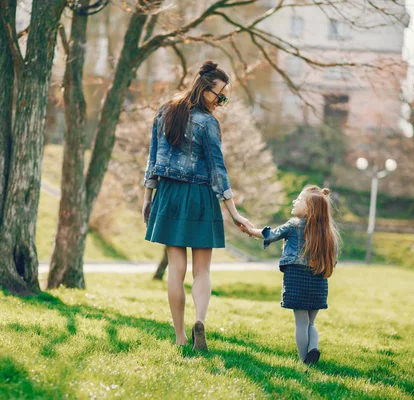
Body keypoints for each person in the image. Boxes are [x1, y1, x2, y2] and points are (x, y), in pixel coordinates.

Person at [142, 60, 253, 351]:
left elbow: (153, 159)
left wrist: (147, 199)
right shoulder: (207, 123)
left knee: (175, 269)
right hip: (200, 197)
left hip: (168, 195)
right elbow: (218, 170)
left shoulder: (165, 111)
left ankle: (180, 337)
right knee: (201, 270)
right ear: (205, 90)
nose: (222, 102)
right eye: (220, 95)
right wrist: (234, 212)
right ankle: (199, 320)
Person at [244, 185, 340, 364]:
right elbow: (332, 260)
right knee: (311, 323)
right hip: (318, 282)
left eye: (298, 200)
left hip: (297, 278)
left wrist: (251, 230)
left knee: (301, 323)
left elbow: (270, 235)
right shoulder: (327, 233)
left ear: (309, 208)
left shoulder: (293, 225)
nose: (294, 201)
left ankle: (305, 360)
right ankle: (313, 348)